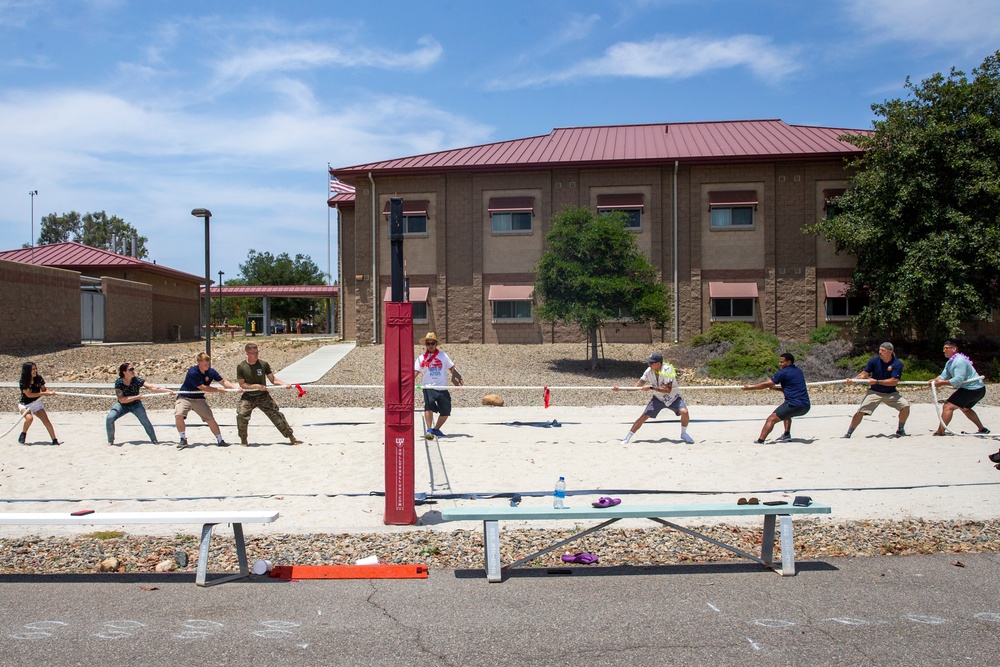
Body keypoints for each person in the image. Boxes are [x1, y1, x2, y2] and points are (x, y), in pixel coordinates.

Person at [613, 351, 694, 444]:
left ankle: (683, 433)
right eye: (649, 362)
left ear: (658, 363)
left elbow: (667, 389)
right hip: (658, 399)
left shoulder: (668, 370)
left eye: (651, 363)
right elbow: (638, 385)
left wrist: (651, 387)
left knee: (685, 412)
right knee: (644, 416)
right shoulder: (648, 371)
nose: (649, 364)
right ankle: (627, 438)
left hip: (673, 397)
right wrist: (621, 389)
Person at [235, 342, 303, 446]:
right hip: (248, 396)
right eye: (253, 353)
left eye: (257, 352)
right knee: (241, 415)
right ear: (247, 353)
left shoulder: (263, 364)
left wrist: (284, 384)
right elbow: (242, 384)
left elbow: (273, 379)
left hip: (263, 396)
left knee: (276, 415)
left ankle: (291, 438)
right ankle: (243, 441)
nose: (256, 355)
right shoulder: (241, 366)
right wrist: (256, 386)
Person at [174, 352, 240, 449]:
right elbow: (202, 387)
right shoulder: (192, 372)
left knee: (210, 418)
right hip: (185, 397)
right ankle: (183, 439)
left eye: (208, 364)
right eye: (205, 364)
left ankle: (220, 440)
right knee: (178, 415)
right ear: (199, 363)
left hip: (199, 399)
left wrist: (235, 388)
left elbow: (223, 382)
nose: (207, 366)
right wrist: (218, 390)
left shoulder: (211, 371)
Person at [843, 342, 909, 438]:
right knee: (860, 411)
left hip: (891, 393)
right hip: (874, 392)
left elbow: (894, 381)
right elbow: (864, 373)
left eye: (883, 350)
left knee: (905, 406)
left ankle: (900, 429)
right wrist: (854, 380)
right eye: (879, 350)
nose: (880, 352)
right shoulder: (874, 361)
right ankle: (849, 433)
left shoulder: (897, 364)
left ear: (890, 352)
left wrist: (876, 381)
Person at [742, 352, 810, 444]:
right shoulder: (798, 371)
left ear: (789, 362)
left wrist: (750, 388)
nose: (779, 364)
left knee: (771, 419)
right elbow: (789, 388)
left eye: (782, 362)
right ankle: (786, 435)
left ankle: (760, 440)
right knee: (787, 414)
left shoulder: (782, 372)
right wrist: (775, 388)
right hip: (806, 406)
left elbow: (768, 384)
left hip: (793, 405)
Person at [929, 340, 989, 436]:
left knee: (948, 406)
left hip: (973, 389)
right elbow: (944, 375)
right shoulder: (950, 362)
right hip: (977, 389)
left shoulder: (959, 361)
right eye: (943, 348)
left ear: (954, 349)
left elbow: (957, 380)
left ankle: (940, 431)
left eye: (946, 348)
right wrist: (934, 381)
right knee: (965, 408)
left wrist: (941, 383)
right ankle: (982, 428)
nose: (944, 351)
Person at [106, 362, 172, 446]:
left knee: (145, 421)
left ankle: (154, 440)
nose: (133, 371)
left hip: (136, 405)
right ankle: (110, 440)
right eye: (130, 369)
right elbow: (122, 400)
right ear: (124, 372)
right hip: (122, 405)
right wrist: (136, 397)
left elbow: (151, 387)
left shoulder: (136, 380)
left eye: (133, 369)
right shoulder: (118, 382)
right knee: (110, 418)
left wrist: (167, 391)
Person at [414, 332, 463, 439]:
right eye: (428, 343)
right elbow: (415, 372)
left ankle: (436, 429)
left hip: (442, 388)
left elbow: (452, 368)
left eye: (432, 343)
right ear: (425, 345)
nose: (430, 345)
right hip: (428, 387)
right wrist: (406, 382)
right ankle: (428, 429)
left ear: (436, 344)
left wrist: (458, 378)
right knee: (429, 405)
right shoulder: (421, 358)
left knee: (446, 411)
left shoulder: (443, 356)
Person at [16, 361, 58, 445]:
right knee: (29, 418)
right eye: (33, 369)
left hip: (36, 403)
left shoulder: (39, 378)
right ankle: (23, 433)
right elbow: (29, 395)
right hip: (25, 404)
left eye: (36, 369)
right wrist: (44, 394)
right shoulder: (23, 381)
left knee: (46, 420)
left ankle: (54, 440)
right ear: (28, 371)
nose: (35, 371)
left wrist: (50, 393)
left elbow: (44, 390)